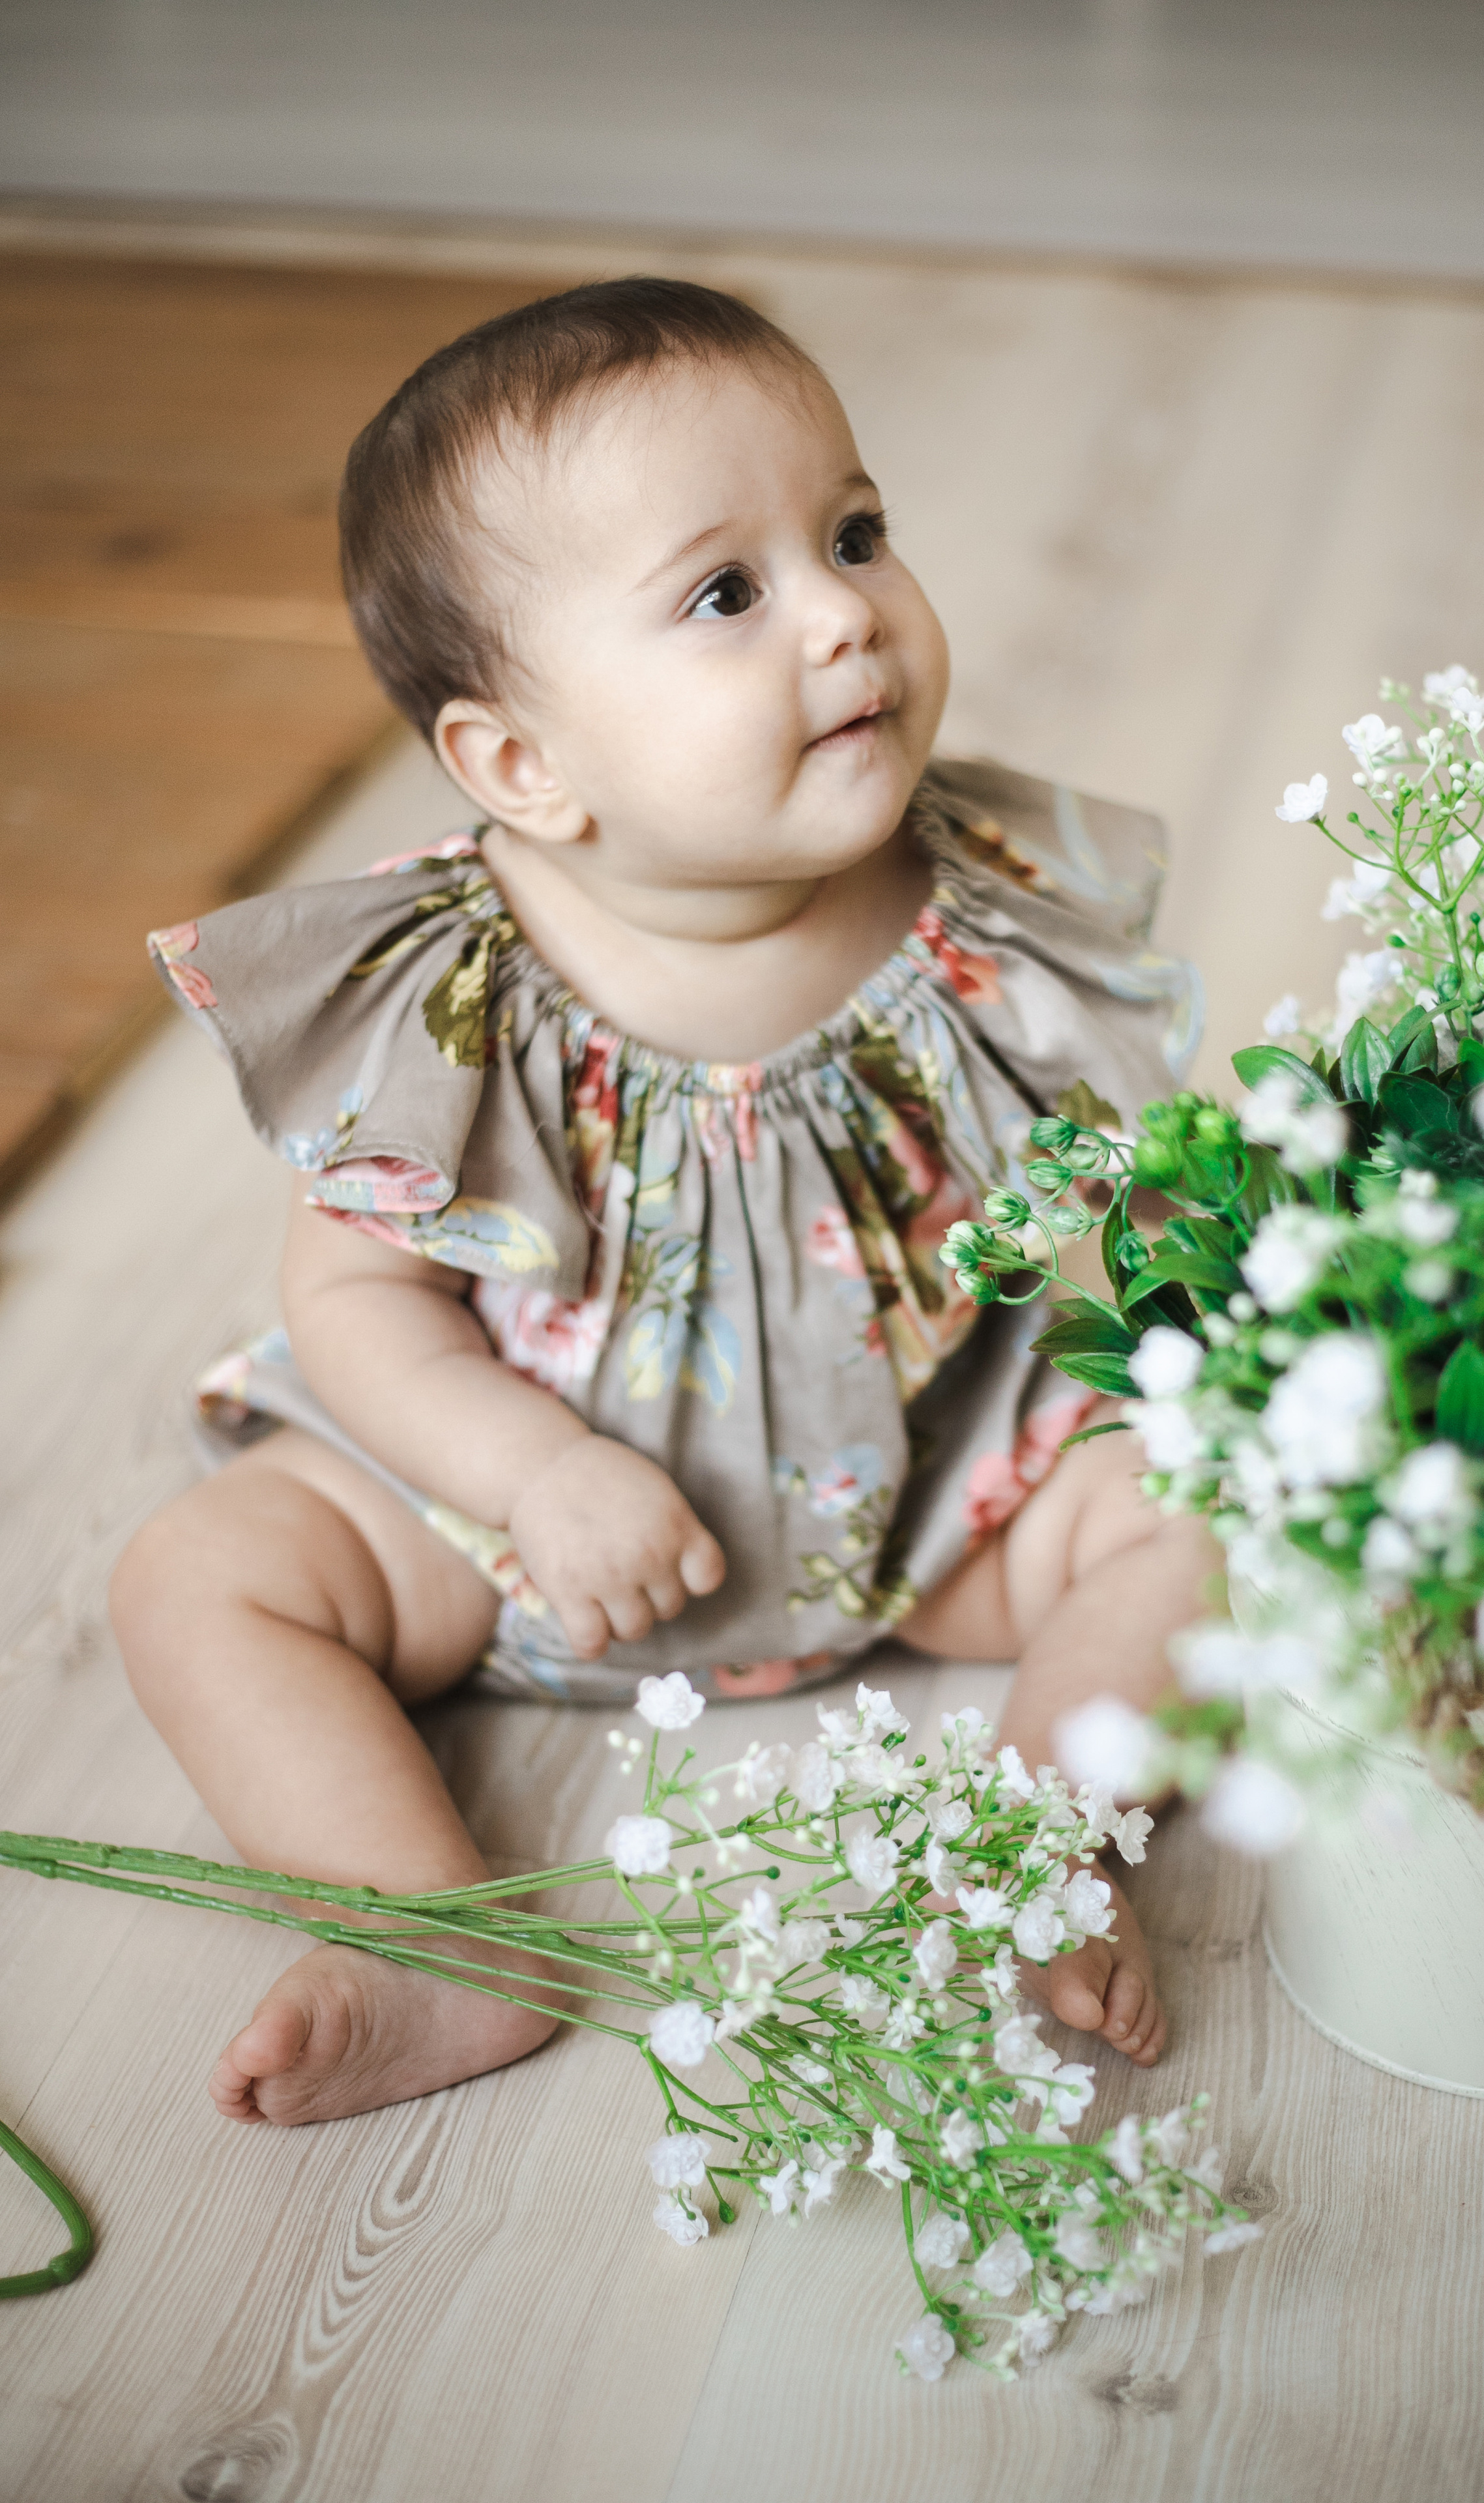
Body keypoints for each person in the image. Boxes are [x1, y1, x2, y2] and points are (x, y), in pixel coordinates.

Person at [113, 279, 1212, 2128]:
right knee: (197, 1579)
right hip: (522, 1540)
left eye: (853, 534)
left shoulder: (973, 902)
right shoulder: (456, 990)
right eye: (729, 593)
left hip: (934, 1505)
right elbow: (359, 1302)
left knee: (1204, 1505)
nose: (847, 610)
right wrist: (526, 1475)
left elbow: (1081, 1191)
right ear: (522, 766)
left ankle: (1037, 1853)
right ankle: (434, 1937)